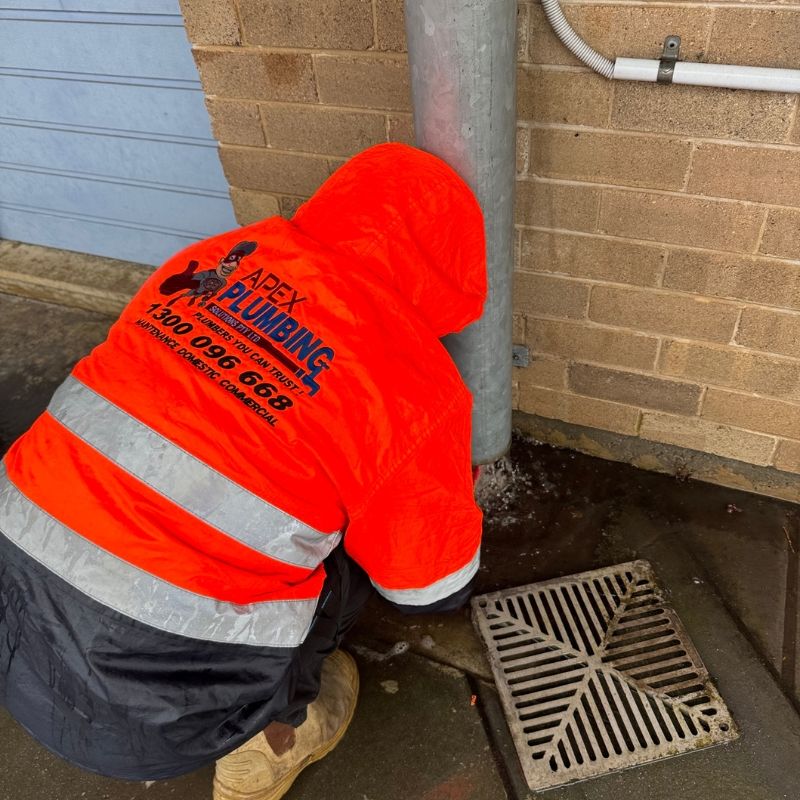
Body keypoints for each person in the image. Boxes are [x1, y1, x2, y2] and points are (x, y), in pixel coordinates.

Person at [0, 143, 487, 800]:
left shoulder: (217, 259)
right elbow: (430, 589)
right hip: (154, 723)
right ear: (454, 271)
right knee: (346, 571)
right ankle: (269, 747)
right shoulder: (413, 385)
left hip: (11, 617)